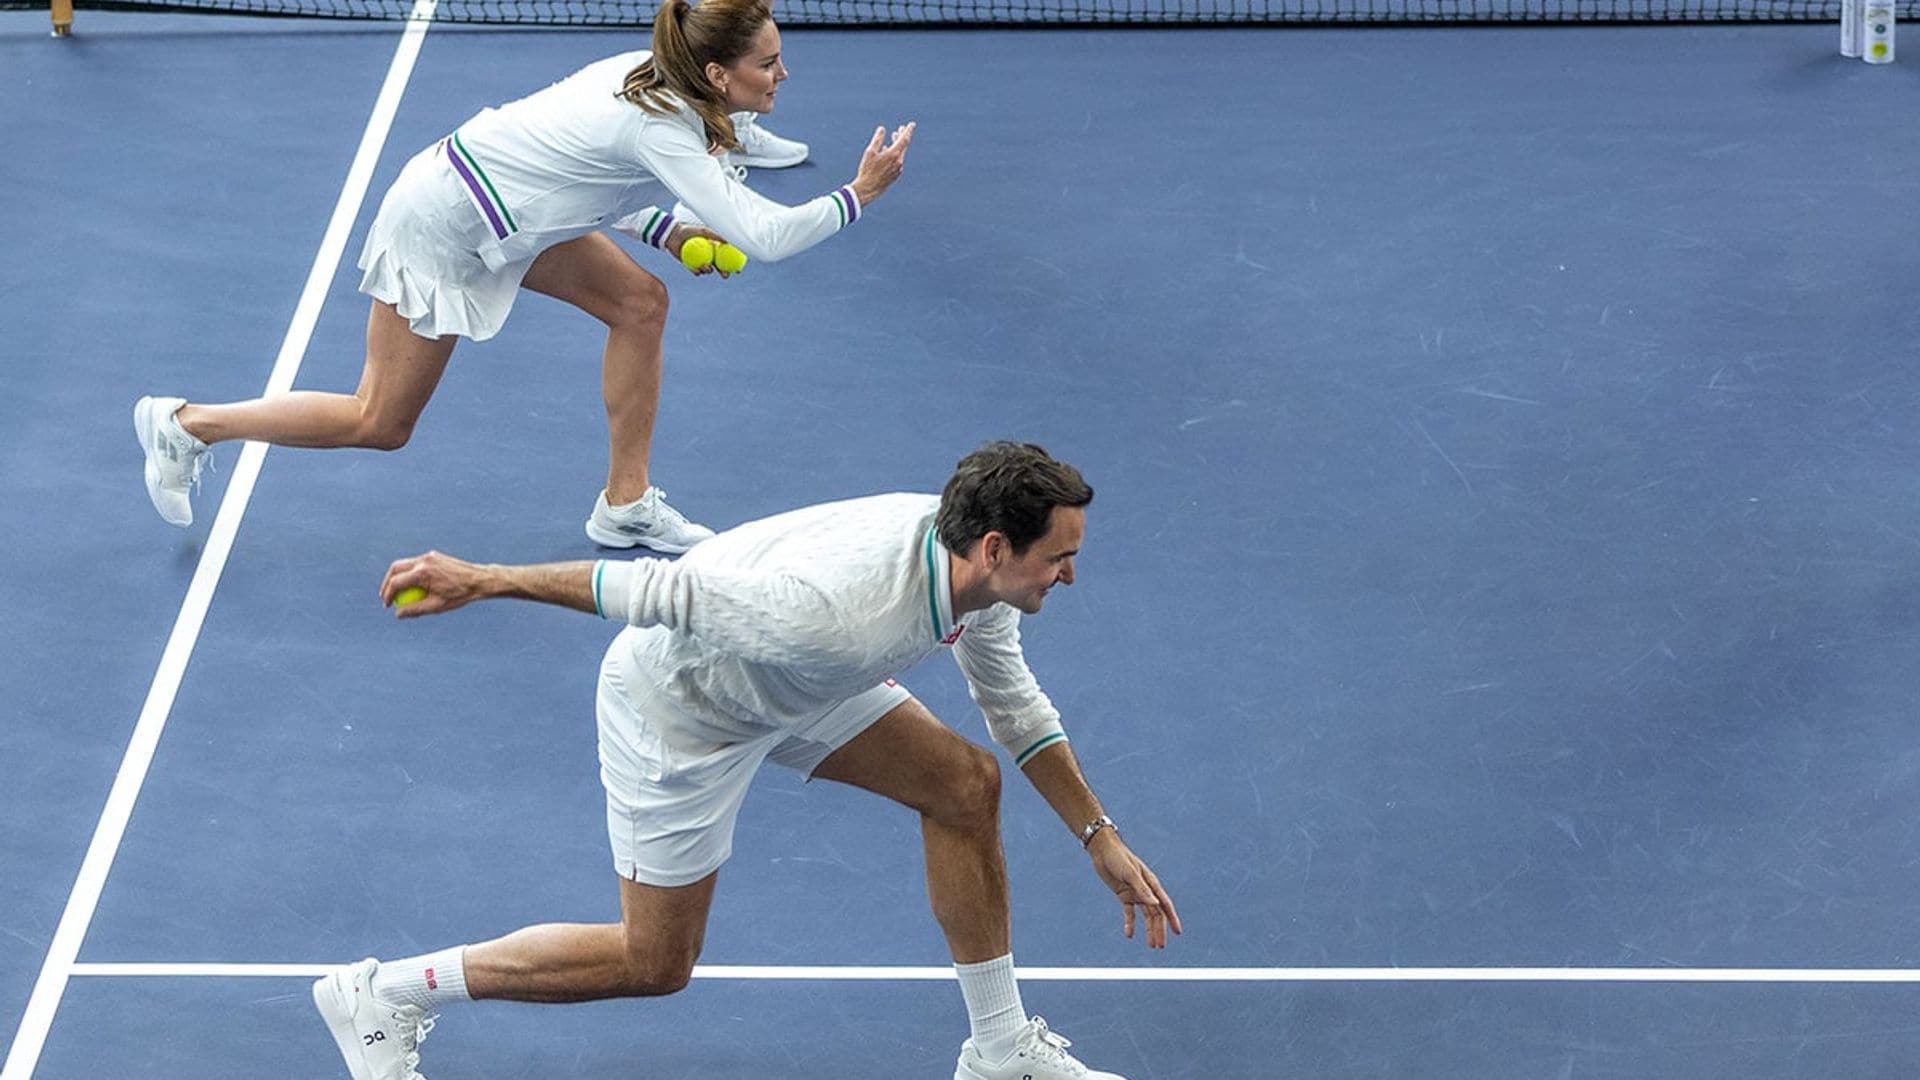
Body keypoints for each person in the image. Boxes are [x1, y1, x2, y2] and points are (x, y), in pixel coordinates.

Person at [311, 441, 1181, 1080]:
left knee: (963, 784)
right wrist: (491, 578)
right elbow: (652, 588)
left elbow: (1014, 708)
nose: (1069, 575)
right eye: (1061, 558)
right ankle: (389, 991)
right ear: (996, 548)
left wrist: (1096, 835)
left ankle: (999, 1051)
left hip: (802, 684)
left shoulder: (976, 576)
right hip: (681, 715)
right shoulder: (837, 610)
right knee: (656, 965)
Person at [133, 0, 914, 553]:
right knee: (381, 421)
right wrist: (860, 193)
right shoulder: (661, 127)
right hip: (443, 224)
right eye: (768, 62)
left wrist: (668, 227)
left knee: (641, 303)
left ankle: (626, 504)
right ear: (716, 72)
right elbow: (769, 237)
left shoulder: (654, 78)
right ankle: (188, 424)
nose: (784, 71)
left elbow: (581, 185)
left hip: (509, 212)